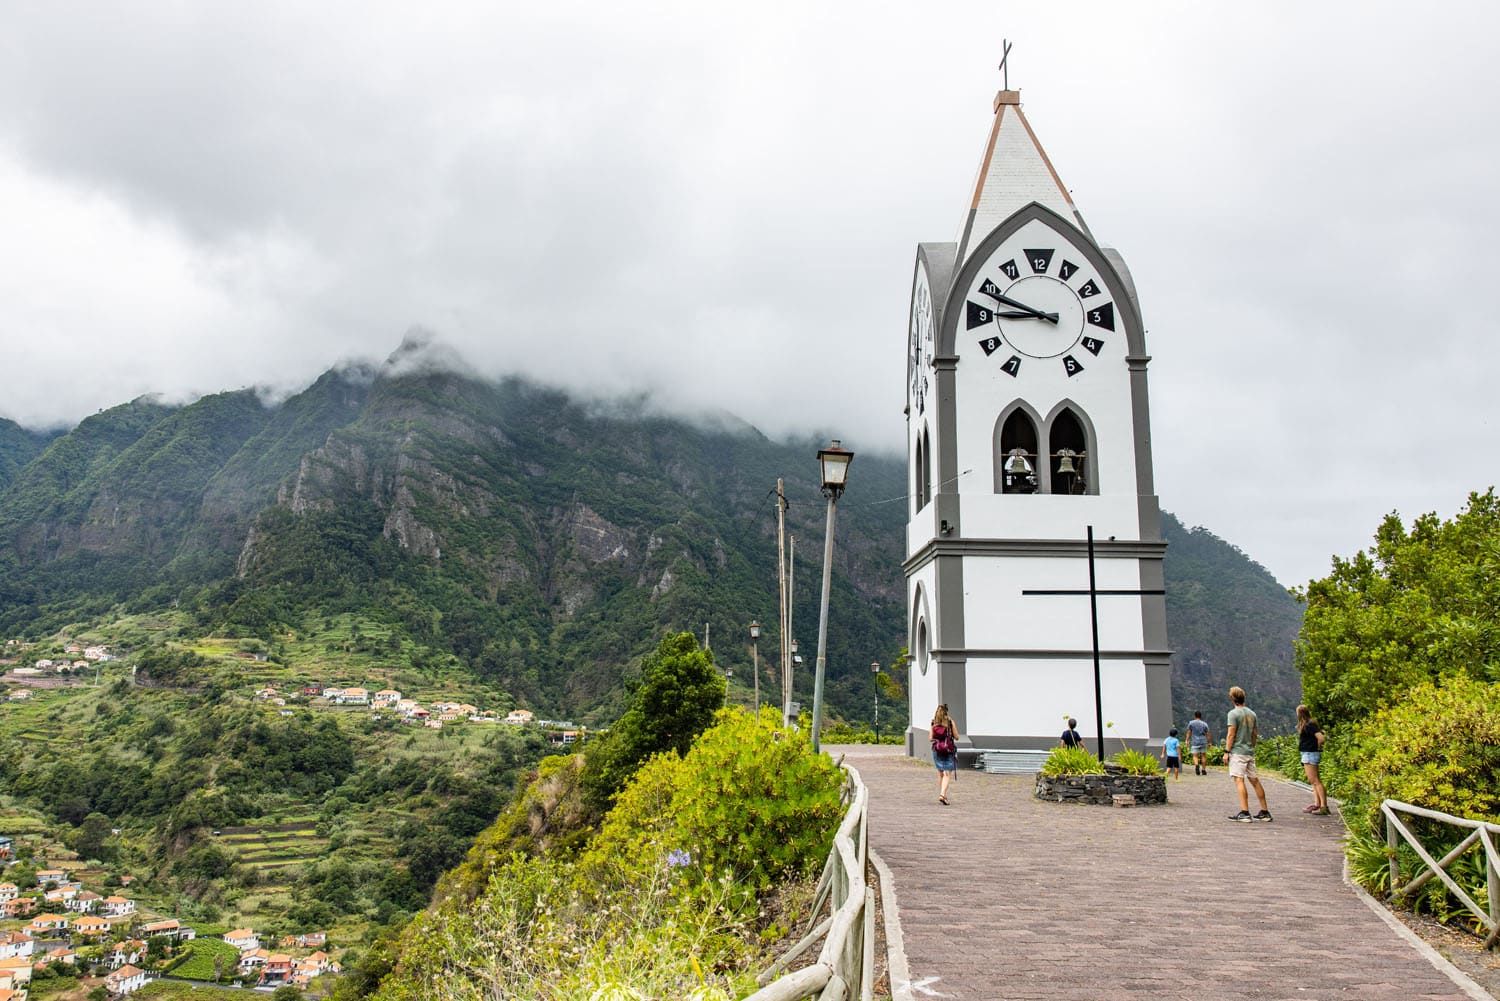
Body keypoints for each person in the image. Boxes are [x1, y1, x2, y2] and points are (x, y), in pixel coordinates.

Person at [1225, 686, 1271, 822]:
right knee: (1255, 780)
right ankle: (1265, 811)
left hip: (1238, 752)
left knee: (1239, 780)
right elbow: (1255, 734)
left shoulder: (1233, 714)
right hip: (1249, 751)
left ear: (1232, 699)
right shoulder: (1252, 714)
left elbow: (1231, 734)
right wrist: (1251, 746)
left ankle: (1245, 812)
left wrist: (1226, 752)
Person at [1297, 704, 1329, 815]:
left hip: (1310, 753)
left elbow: (1321, 738)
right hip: (1308, 753)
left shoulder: (1309, 725)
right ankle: (1317, 804)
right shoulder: (1309, 724)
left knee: (1315, 781)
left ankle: (1323, 806)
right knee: (1313, 781)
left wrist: (1317, 747)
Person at [930, 705, 959, 805]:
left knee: (941, 774)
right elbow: (957, 737)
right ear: (947, 713)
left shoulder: (933, 723)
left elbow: (930, 738)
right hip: (948, 750)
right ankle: (942, 794)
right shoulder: (950, 722)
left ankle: (943, 794)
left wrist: (939, 740)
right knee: (947, 774)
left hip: (937, 750)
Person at [1186, 710, 1211, 775]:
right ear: (1200, 716)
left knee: (1195, 755)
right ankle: (1203, 770)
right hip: (1203, 741)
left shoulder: (1191, 723)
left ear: (1195, 716)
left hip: (1194, 741)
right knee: (1203, 755)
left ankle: (1197, 765)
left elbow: (1189, 732)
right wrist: (1209, 742)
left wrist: (1187, 740)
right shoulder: (1204, 724)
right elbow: (1208, 734)